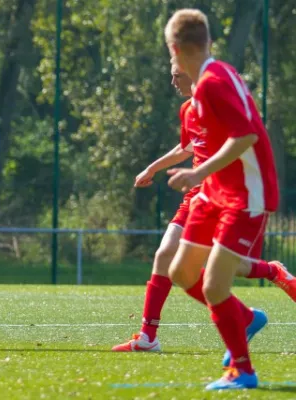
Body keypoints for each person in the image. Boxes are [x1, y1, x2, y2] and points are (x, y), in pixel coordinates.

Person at [112, 60, 296, 353]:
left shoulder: (219, 101)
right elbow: (185, 148)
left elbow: (242, 140)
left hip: (225, 195)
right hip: (196, 195)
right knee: (165, 256)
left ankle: (269, 277)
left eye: (176, 75)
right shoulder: (187, 110)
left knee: (215, 266)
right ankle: (148, 337)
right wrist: (153, 168)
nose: (173, 82)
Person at [164, 9, 280, 390]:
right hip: (215, 195)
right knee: (181, 272)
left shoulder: (214, 81)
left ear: (175, 49)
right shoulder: (206, 83)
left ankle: (243, 371)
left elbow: (245, 136)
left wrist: (197, 173)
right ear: (207, 41)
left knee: (214, 285)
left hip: (246, 195)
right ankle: (245, 319)